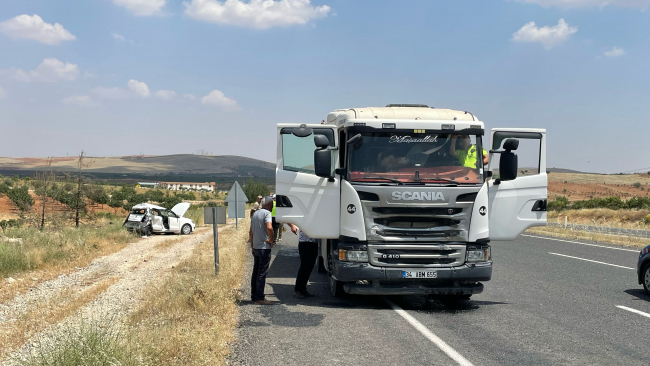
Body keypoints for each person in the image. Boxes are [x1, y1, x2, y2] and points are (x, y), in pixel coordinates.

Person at [248, 196, 275, 305]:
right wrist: (271, 240)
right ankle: (260, 297)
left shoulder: (255, 214)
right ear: (268, 205)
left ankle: (254, 296)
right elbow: (269, 227)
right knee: (262, 273)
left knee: (255, 272)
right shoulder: (267, 214)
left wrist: (252, 246)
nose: (273, 206)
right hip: (264, 247)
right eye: (272, 205)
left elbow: (250, 232)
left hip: (256, 247)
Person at [288, 224, 317, 299]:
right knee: (304, 266)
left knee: (309, 267)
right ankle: (298, 290)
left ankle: (303, 289)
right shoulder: (304, 215)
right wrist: (292, 225)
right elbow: (288, 217)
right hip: (304, 242)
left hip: (314, 242)